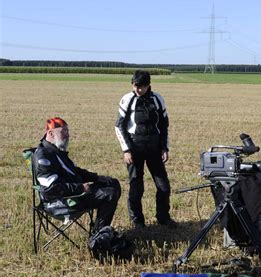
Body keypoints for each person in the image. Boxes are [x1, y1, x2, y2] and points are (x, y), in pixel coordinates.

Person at [33, 117, 121, 232]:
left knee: (112, 182)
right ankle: (98, 234)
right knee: (109, 193)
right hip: (62, 201)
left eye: (67, 131)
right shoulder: (43, 156)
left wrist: (98, 178)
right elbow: (50, 188)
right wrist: (80, 188)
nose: (67, 135)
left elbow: (75, 171)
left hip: (73, 192)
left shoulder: (55, 150)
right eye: (63, 131)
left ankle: (100, 231)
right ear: (51, 133)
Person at [115, 70, 176, 229]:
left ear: (149, 85)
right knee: (137, 187)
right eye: (135, 86)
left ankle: (163, 218)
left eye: (141, 86)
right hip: (135, 149)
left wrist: (164, 147)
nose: (138, 90)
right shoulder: (127, 99)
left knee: (164, 187)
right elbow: (119, 126)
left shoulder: (158, 99)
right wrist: (126, 150)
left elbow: (164, 125)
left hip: (155, 148)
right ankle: (137, 221)